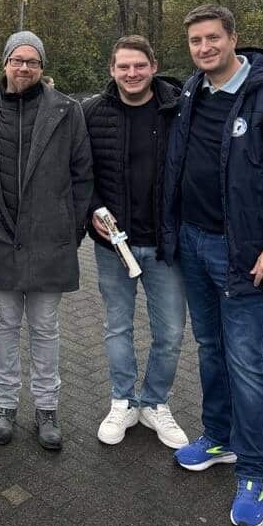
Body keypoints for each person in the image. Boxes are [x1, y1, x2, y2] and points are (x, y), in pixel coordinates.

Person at [162, 4, 263, 526]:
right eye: (195, 42)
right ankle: (219, 437)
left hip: (246, 253)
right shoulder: (192, 90)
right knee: (209, 348)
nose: (203, 49)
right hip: (193, 242)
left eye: (212, 39)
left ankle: (253, 474)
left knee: (247, 359)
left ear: (233, 38)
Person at [0, 31, 93, 451]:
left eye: (32, 61)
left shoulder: (66, 111)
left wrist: (70, 231)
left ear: (42, 67)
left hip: (49, 241)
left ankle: (47, 408)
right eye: (17, 60)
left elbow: (81, 175)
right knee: (2, 327)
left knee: (45, 328)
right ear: (4, 63)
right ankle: (4, 405)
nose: (24, 68)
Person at [83, 35, 187, 449]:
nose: (131, 74)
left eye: (139, 66)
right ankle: (123, 400)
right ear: (112, 70)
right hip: (113, 246)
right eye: (123, 67)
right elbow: (81, 172)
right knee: (117, 327)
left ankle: (155, 403)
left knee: (172, 331)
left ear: (153, 66)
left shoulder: (179, 109)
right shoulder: (92, 113)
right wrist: (92, 210)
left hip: (165, 245)